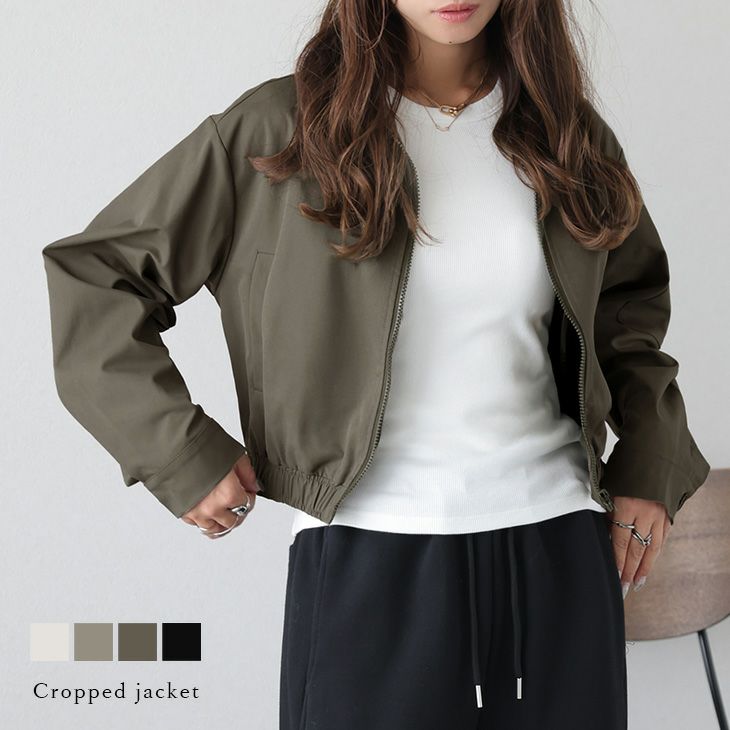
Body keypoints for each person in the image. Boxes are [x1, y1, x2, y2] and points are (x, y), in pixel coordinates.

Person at [41, 1, 711, 728]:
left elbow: (628, 316)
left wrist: (650, 462)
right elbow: (99, 277)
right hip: (368, 558)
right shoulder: (282, 129)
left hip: (559, 555)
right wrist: (179, 453)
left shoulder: (565, 134)